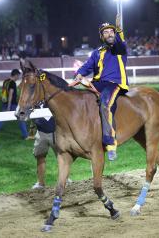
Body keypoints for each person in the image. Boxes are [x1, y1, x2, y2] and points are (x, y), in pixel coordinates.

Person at [74, 14, 128, 161]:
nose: (109, 34)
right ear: (101, 36)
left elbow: (120, 42)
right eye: (106, 32)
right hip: (97, 83)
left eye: (111, 31)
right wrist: (79, 74)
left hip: (114, 84)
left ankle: (110, 144)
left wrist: (119, 29)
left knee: (105, 104)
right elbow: (87, 66)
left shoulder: (119, 47)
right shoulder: (97, 52)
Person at [31, 105, 72, 189]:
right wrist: (32, 126)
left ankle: (65, 180)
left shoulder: (51, 97)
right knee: (40, 157)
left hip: (56, 132)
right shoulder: (36, 100)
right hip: (41, 132)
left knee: (62, 157)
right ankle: (40, 183)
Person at [0, 69, 28, 142]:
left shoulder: (6, 81)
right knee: (21, 118)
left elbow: (3, 92)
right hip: (12, 105)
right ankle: (25, 136)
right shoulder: (13, 83)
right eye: (18, 76)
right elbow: (10, 94)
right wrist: (9, 106)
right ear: (16, 75)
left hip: (5, 103)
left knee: (1, 119)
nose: (18, 78)